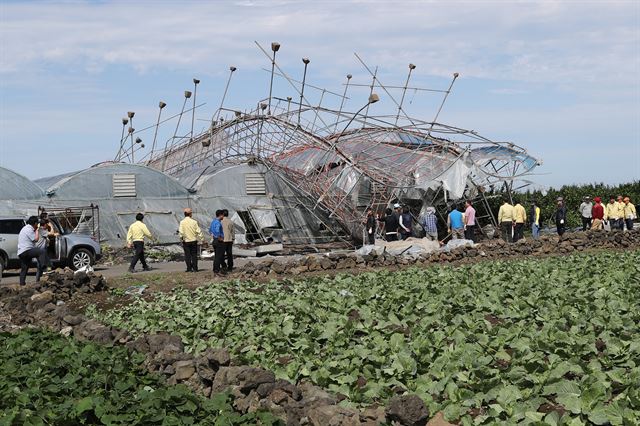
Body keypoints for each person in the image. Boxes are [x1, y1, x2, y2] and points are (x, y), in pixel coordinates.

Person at [17, 216, 47, 286]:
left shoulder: (25, 228)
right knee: (42, 251)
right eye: (37, 223)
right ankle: (44, 269)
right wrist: (37, 230)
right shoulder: (29, 229)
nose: (38, 225)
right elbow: (35, 239)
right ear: (35, 223)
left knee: (25, 268)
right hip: (26, 250)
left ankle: (22, 284)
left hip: (21, 252)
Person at [179, 207, 203, 272]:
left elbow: (181, 232)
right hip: (193, 241)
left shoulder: (182, 222)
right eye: (191, 213)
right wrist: (202, 239)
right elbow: (199, 231)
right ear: (189, 214)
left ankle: (189, 268)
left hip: (186, 241)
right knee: (194, 255)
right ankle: (195, 268)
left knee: (187, 255)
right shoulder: (194, 222)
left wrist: (181, 238)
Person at [209, 210, 225, 274]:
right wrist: (219, 237)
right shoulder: (218, 223)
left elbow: (210, 230)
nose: (223, 216)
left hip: (214, 240)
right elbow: (217, 230)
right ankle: (217, 270)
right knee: (219, 256)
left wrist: (214, 236)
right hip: (218, 240)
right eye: (223, 215)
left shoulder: (213, 222)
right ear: (220, 215)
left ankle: (215, 269)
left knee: (216, 256)